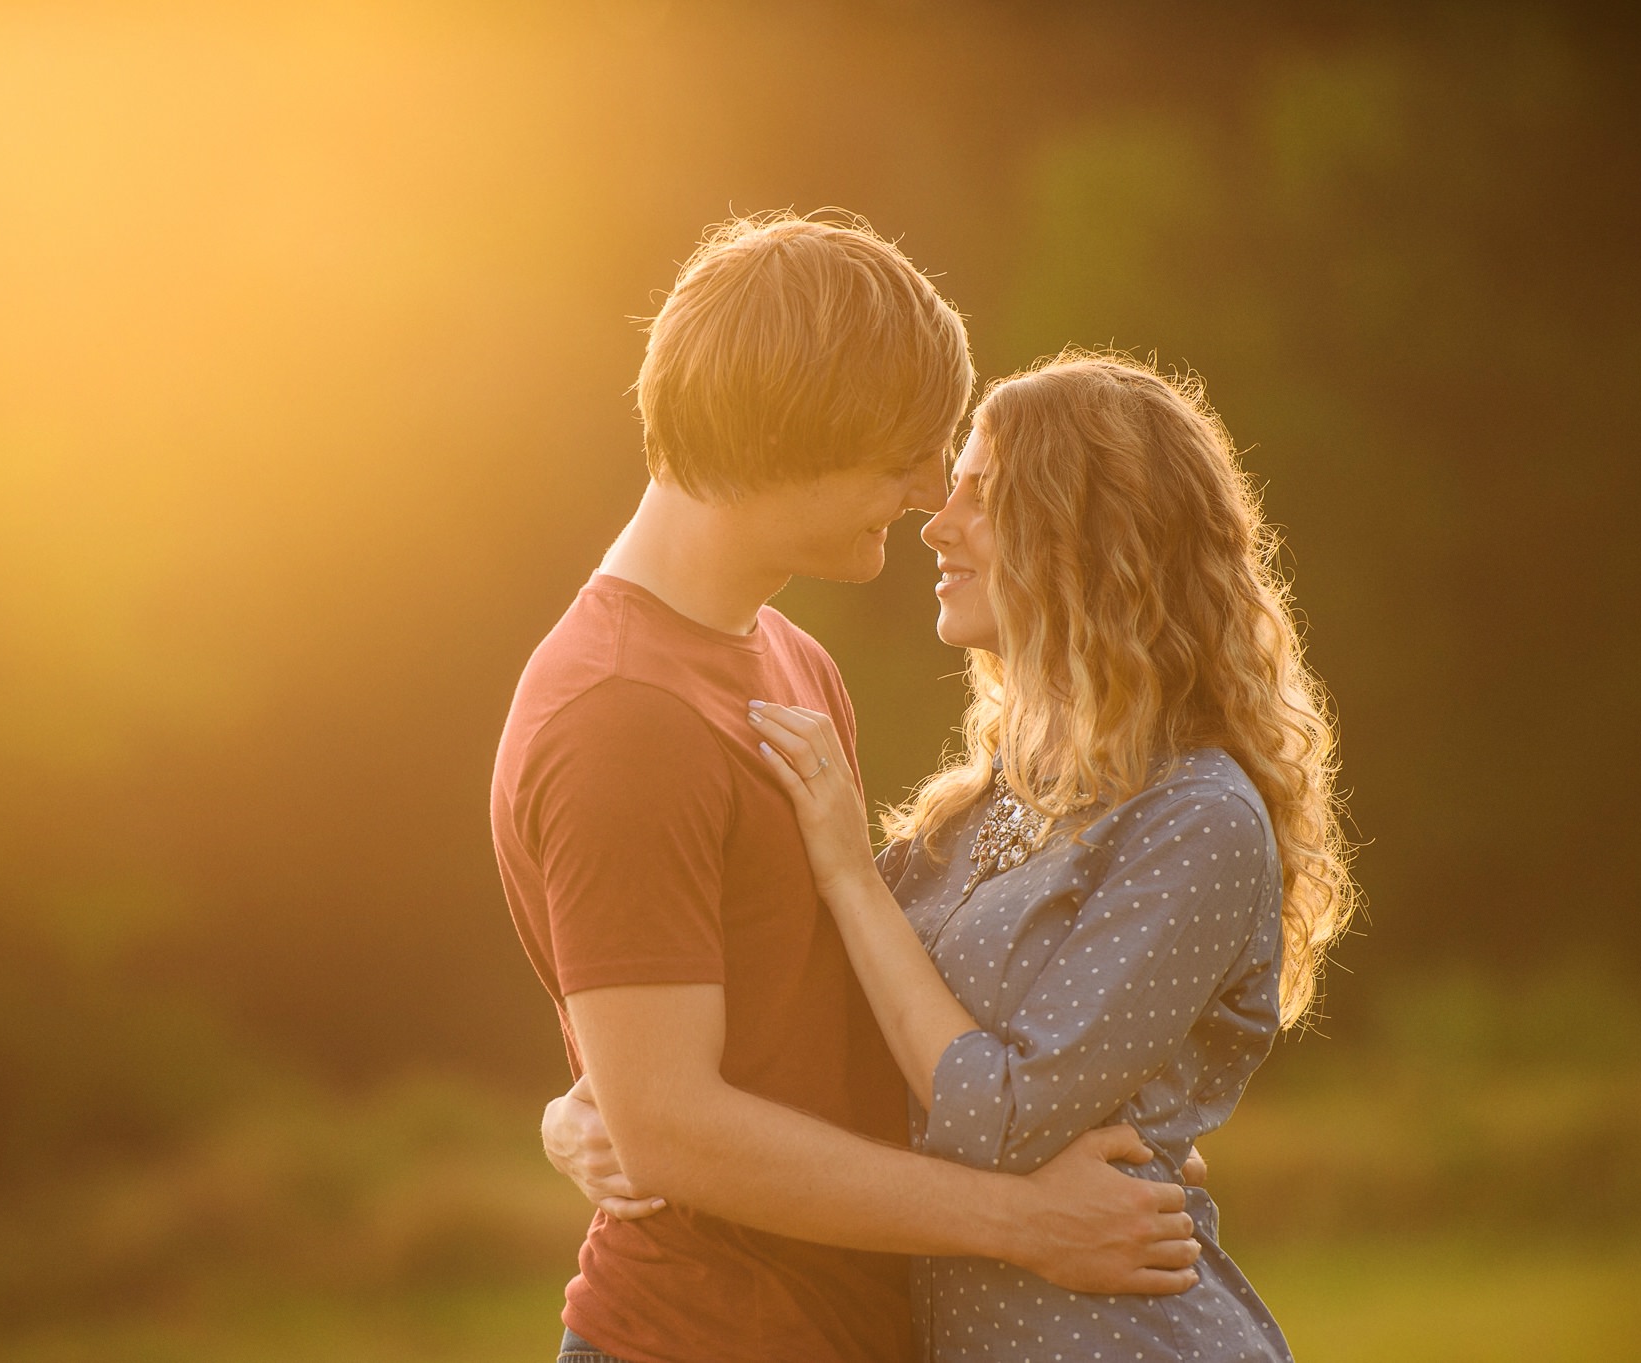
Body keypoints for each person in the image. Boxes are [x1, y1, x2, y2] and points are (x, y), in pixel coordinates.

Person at [549, 351, 1359, 1361]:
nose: (934, 519)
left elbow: (1001, 1116)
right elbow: (816, 1017)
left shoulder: (1197, 817)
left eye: (981, 495)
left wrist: (848, 869)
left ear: (1086, 533)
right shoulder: (980, 805)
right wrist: (593, 1111)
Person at [492, 218, 1205, 1363]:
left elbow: (810, 1016)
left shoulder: (788, 660)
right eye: (902, 454)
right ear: (788, 436)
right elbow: (674, 1126)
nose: (930, 496)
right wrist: (1024, 1224)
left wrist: (1114, 1125)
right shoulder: (617, 713)